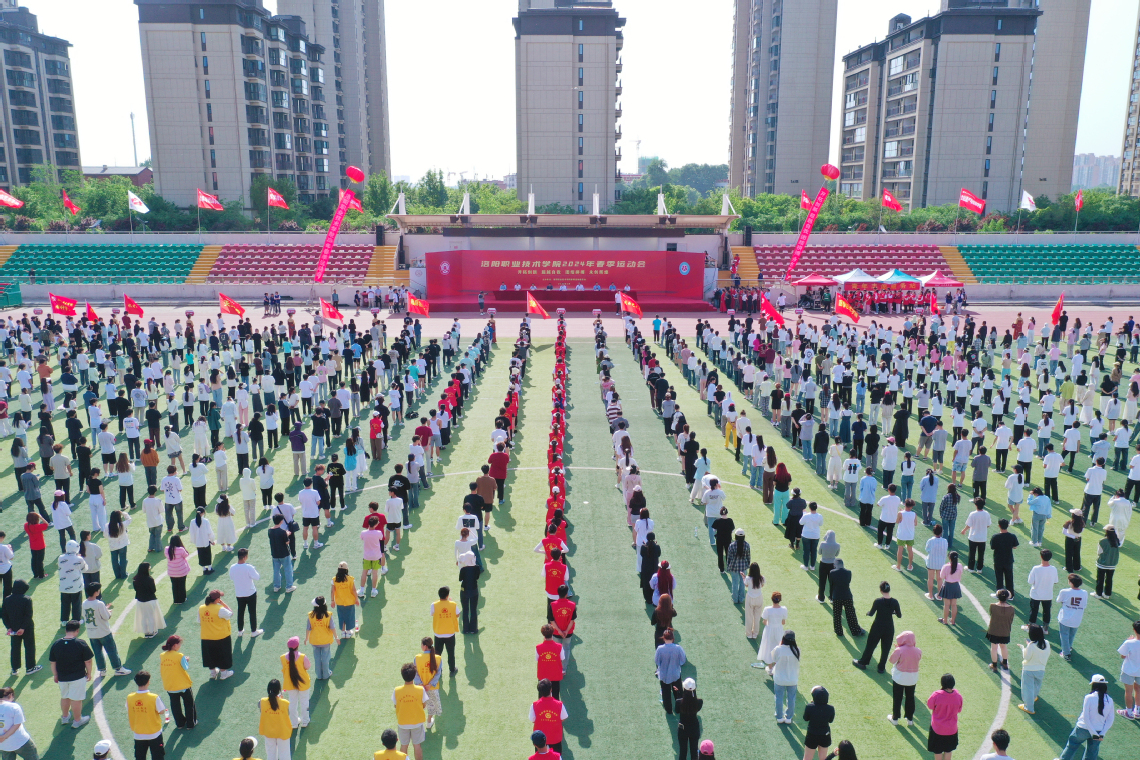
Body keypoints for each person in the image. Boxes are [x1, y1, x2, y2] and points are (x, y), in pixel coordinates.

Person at [48, 620, 94, 729]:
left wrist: (55, 675)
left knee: (65, 697)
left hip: (62, 677)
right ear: (77, 630)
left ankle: (65, 717)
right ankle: (77, 720)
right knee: (76, 699)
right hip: (77, 677)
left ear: (66, 630)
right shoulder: (80, 643)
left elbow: (52, 662)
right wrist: (89, 673)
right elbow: (88, 661)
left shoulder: (56, 644)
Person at [1056, 675, 1114, 760]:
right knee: (1092, 752)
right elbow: (1110, 719)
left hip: (1083, 729)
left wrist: (1093, 733)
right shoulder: (1110, 700)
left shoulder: (1089, 697)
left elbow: (1086, 717)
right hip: (1099, 731)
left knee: (1072, 745)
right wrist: (1102, 734)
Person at [81, 582, 130, 677]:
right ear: (96, 592)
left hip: (91, 633)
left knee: (97, 652)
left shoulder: (84, 603)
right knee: (111, 651)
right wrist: (108, 611)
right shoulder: (99, 603)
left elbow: (86, 615)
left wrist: (105, 608)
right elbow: (107, 616)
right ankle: (118, 668)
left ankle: (102, 670)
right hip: (103, 632)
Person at [125, 671, 168, 760]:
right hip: (154, 733)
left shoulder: (130, 697)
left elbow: (128, 708)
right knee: (158, 757)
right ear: (148, 682)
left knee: (140, 757)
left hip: (138, 733)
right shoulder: (154, 697)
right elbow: (162, 711)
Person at [159, 635, 195, 729]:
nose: (180, 646)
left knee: (175, 706)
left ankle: (180, 724)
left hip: (170, 686)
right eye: (179, 644)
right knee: (189, 704)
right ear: (175, 645)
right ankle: (191, 723)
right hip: (183, 686)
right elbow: (185, 667)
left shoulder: (162, 655)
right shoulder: (180, 656)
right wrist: (186, 660)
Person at [393, 663, 428, 760]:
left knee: (404, 745)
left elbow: (396, 705)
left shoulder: (397, 690)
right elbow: (424, 705)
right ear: (414, 675)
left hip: (402, 723)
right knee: (417, 745)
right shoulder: (420, 689)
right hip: (417, 722)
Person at [887, 631, 922, 726]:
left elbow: (891, 660)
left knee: (897, 698)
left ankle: (895, 718)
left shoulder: (899, 650)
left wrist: (897, 650)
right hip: (912, 678)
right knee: (910, 698)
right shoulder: (918, 651)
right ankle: (910, 719)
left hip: (899, 678)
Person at [198, 589, 234, 681]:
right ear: (217, 599)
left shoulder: (201, 608)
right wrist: (223, 603)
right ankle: (224, 674)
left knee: (210, 655)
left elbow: (200, 621)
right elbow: (231, 613)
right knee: (222, 655)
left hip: (206, 637)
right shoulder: (220, 609)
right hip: (221, 637)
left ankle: (213, 673)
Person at [926, 673, 963, 760]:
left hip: (937, 729)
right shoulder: (958, 696)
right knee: (948, 750)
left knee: (937, 751)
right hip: (952, 729)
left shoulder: (936, 695)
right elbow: (959, 710)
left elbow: (930, 705)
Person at [229, 548, 263, 638]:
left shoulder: (232, 567)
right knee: (252, 612)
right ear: (245, 557)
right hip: (250, 593)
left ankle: (240, 631)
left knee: (240, 612)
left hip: (239, 594)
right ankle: (254, 631)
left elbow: (231, 577)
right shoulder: (249, 567)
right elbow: (257, 577)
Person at [529, 679, 567, 755]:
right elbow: (563, 718)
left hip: (539, 740)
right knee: (556, 757)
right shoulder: (559, 704)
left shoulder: (534, 705)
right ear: (551, 689)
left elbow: (532, 719)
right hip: (555, 738)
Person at [1017, 624, 1049, 715]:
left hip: (1029, 670)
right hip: (1041, 669)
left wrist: (1023, 648)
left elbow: (1026, 657)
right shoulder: (1047, 643)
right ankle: (1034, 697)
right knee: (1036, 686)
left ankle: (1029, 707)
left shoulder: (1031, 646)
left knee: (1027, 689)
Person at [280, 637, 311, 729]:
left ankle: (294, 723)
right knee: (304, 702)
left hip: (290, 683)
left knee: (292, 703)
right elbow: (307, 667)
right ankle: (305, 721)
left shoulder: (283, 657)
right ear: (298, 646)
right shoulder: (302, 657)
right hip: (303, 682)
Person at [258, 679, 293, 760]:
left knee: (271, 754)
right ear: (279, 690)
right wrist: (280, 699)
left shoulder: (262, 701)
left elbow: (261, 709)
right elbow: (288, 713)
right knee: (285, 755)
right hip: (283, 731)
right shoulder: (285, 703)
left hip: (268, 731)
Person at [1056, 574, 1088, 661]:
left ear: (1071, 583)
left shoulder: (1064, 591)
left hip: (1065, 618)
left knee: (1064, 635)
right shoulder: (1084, 593)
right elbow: (1084, 605)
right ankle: (1068, 647)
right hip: (1077, 618)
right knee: (1071, 635)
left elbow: (1058, 600)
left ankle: (1066, 654)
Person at [304, 597, 338, 680]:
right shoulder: (328, 615)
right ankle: (326, 674)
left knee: (317, 659)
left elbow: (308, 628)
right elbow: (332, 627)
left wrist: (306, 638)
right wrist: (336, 637)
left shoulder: (311, 615)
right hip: (325, 640)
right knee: (325, 658)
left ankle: (319, 675)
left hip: (315, 640)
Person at [771, 631, 801, 724]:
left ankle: (779, 717)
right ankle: (788, 717)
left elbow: (774, 659)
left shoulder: (778, 649)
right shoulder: (797, 650)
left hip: (779, 678)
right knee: (791, 698)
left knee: (779, 697)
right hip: (792, 679)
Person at [1026, 549, 1058, 634]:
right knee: (1047, 612)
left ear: (1041, 556)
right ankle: (1045, 629)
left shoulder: (1036, 568)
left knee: (1034, 611)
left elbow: (1030, 581)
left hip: (1036, 594)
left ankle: (1031, 627)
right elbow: (1055, 581)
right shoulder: (1053, 569)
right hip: (1048, 595)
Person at [0, 686, 37, 760]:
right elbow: (17, 724)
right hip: (20, 741)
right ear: (10, 695)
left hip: (3, 746)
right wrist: (5, 736)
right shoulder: (14, 707)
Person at [654, 628, 686, 714]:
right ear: (673, 638)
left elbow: (657, 661)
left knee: (666, 693)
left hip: (664, 675)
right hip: (675, 674)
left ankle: (668, 710)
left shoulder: (660, 649)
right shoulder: (678, 648)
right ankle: (679, 709)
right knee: (678, 692)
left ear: (664, 638)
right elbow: (683, 660)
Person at [828, 559, 863, 637]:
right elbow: (848, 582)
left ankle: (839, 631)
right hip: (847, 595)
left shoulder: (832, 572)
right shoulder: (848, 572)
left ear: (835, 565)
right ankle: (856, 631)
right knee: (851, 614)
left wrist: (831, 596)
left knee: (837, 615)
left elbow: (831, 585)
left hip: (837, 596)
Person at [430, 586, 460, 675]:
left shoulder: (434, 605)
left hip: (438, 634)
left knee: (437, 653)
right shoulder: (453, 604)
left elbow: (432, 614)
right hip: (450, 634)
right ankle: (452, 669)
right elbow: (457, 614)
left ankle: (438, 669)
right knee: (451, 653)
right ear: (447, 595)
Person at [414, 638, 443, 729]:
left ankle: (419, 723)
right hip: (432, 688)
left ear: (425, 646)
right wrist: (431, 684)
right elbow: (438, 673)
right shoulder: (438, 658)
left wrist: (420, 684)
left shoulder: (417, 658)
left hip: (420, 688)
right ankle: (429, 722)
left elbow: (415, 673)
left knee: (419, 705)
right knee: (432, 706)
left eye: (421, 645)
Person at [757, 592, 788, 671]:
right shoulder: (784, 609)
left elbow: (764, 621)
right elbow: (783, 622)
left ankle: (770, 668)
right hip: (779, 629)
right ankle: (776, 667)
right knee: (778, 646)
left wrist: (769, 624)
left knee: (769, 647)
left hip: (769, 629)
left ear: (772, 599)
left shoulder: (767, 609)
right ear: (780, 600)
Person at [802, 685, 835, 760]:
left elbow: (805, 718)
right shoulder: (831, 708)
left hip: (812, 734)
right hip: (825, 734)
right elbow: (830, 720)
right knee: (823, 758)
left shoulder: (809, 706)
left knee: (807, 758)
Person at [133, 563, 165, 639]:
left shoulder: (135, 579)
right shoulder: (149, 579)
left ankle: (146, 632)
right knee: (151, 616)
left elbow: (136, 589)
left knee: (144, 616)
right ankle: (152, 631)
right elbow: (153, 590)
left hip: (140, 601)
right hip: (150, 600)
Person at [676, 677, 703, 760]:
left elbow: (677, 710)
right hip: (694, 728)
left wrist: (678, 694)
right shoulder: (699, 702)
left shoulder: (679, 702)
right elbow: (696, 707)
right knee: (694, 752)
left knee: (683, 752)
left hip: (683, 729)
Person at [939, 551, 963, 626]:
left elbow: (941, 576)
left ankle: (945, 620)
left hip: (947, 585)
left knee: (946, 605)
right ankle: (953, 621)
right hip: (956, 586)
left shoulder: (946, 566)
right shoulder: (960, 566)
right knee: (954, 605)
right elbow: (960, 574)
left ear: (949, 558)